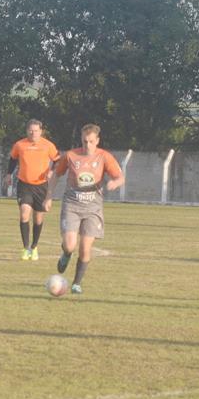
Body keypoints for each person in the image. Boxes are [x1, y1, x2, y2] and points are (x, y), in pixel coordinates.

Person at [53, 124, 124, 295]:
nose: (87, 145)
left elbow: (120, 177)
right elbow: (56, 174)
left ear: (97, 141)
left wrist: (115, 182)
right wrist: (48, 196)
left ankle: (76, 283)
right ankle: (66, 254)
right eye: (85, 141)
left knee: (85, 248)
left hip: (93, 208)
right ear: (81, 140)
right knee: (70, 245)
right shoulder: (70, 156)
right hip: (72, 205)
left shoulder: (104, 157)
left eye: (91, 142)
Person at [7, 120, 60, 260]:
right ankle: (25, 248)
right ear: (27, 131)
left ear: (41, 131)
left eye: (36, 130)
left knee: (38, 218)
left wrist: (51, 171)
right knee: (24, 213)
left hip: (41, 186)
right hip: (24, 185)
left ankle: (34, 247)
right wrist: (8, 174)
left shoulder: (48, 145)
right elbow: (12, 159)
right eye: (30, 130)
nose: (33, 133)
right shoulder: (20, 144)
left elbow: (57, 160)